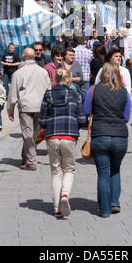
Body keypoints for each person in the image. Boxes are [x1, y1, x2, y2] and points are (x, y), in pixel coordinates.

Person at [84, 62, 131, 218]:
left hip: (99, 135)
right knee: (115, 170)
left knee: (103, 173)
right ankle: (114, 203)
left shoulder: (93, 89)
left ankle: (104, 210)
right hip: (120, 137)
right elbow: (126, 117)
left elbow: (86, 111)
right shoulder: (124, 92)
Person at [39, 68, 86, 218]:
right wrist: (74, 125)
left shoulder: (47, 95)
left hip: (52, 136)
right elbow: (82, 119)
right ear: (67, 80)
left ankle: (56, 208)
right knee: (69, 169)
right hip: (69, 136)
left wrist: (50, 125)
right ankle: (65, 195)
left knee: (56, 172)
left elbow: (42, 120)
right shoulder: (74, 95)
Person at [7, 48, 51, 171]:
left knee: (27, 134)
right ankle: (26, 157)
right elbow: (49, 89)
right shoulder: (43, 72)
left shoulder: (19, 73)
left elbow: (13, 93)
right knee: (33, 134)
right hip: (40, 105)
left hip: (26, 105)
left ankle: (31, 162)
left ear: (24, 57)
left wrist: (10, 110)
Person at [74, 36, 93, 101]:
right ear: (85, 42)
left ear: (76, 42)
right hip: (86, 76)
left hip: (75, 77)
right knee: (85, 95)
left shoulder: (73, 51)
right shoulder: (89, 52)